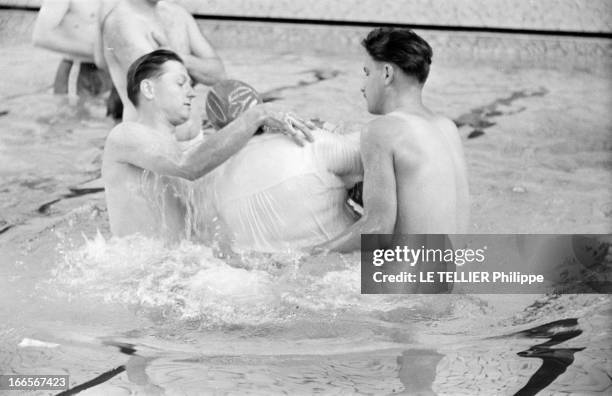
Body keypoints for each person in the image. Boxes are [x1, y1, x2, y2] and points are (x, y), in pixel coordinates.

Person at [102, 50, 312, 241]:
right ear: (148, 88)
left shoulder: (179, 151)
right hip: (137, 273)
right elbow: (187, 164)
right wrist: (257, 115)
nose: (191, 93)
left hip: (175, 268)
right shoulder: (124, 135)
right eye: (181, 83)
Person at [315, 28, 470, 253]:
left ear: (387, 73)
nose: (362, 86)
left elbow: (377, 230)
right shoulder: (448, 127)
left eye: (367, 73)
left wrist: (310, 254)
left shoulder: (381, 131)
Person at [195, 80, 363, 252]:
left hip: (260, 271)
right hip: (341, 258)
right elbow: (380, 156)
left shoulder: (209, 184)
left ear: (218, 130)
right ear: (266, 109)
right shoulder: (311, 141)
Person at [100, 0, 225, 130]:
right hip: (149, 141)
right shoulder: (121, 23)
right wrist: (192, 68)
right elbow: (159, 91)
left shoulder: (178, 14)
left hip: (191, 141)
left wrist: (178, 57)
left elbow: (218, 74)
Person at [32, 0, 111, 96]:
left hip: (113, 70)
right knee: (76, 109)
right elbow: (41, 36)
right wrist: (98, 52)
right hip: (79, 70)